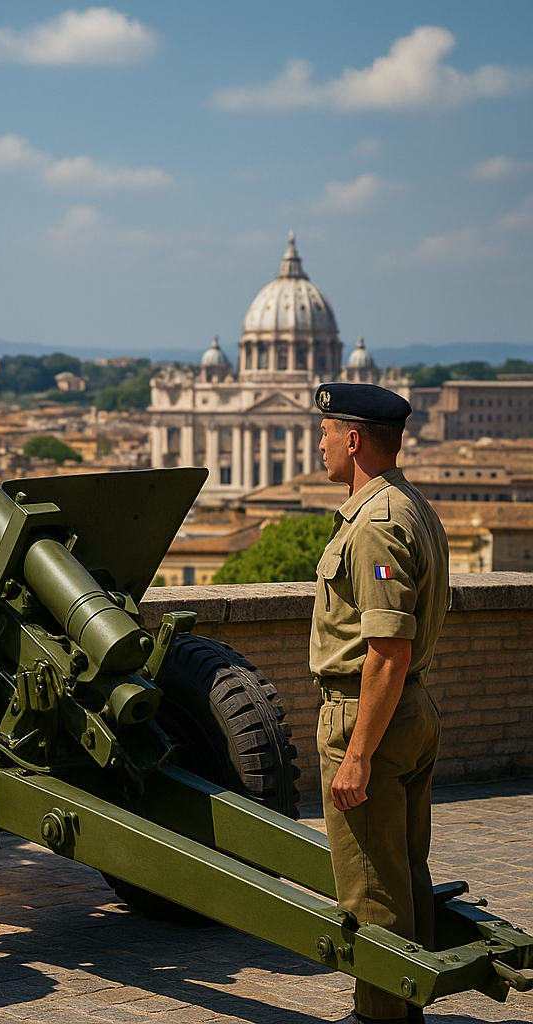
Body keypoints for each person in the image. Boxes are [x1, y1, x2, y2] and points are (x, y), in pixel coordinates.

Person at [310, 382, 449, 1024]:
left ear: (356, 439)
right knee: (405, 872)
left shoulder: (375, 526)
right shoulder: (412, 506)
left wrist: (357, 754)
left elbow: (387, 653)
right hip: (413, 712)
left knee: (371, 889)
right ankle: (406, 1007)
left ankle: (383, 1018)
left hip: (370, 719)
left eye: (328, 431)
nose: (322, 441)